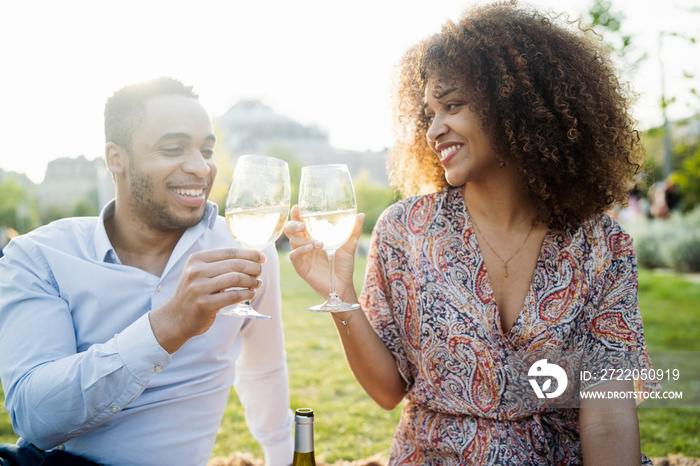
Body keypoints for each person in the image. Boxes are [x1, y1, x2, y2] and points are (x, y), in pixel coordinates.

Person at [285, 2, 658, 465]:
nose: (435, 130)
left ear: (516, 104)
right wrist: (339, 295)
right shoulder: (406, 231)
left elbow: (607, 413)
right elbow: (387, 391)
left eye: (452, 105)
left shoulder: (602, 246)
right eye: (429, 113)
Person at [0, 77, 293, 466]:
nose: (201, 167)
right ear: (115, 158)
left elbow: (263, 372)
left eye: (206, 149)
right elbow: (35, 418)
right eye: (173, 148)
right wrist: (168, 325)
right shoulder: (40, 256)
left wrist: (285, 458)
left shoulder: (246, 251)